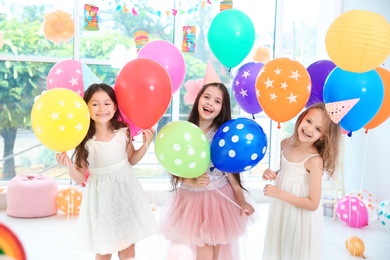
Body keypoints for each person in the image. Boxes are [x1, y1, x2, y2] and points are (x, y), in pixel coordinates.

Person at [56, 83, 158, 260]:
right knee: (104, 250)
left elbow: (131, 159)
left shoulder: (123, 132)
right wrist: (68, 165)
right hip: (101, 198)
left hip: (126, 192)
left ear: (115, 107)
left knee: (128, 249)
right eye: (95, 104)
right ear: (85, 107)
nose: (101, 108)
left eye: (107, 103)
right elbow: (80, 176)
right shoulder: (84, 141)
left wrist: (146, 144)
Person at [160, 81, 256, 260]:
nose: (210, 103)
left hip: (218, 200)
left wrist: (242, 202)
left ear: (222, 108)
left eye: (217, 101)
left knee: (214, 254)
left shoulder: (222, 135)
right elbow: (174, 167)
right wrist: (191, 181)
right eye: (206, 97)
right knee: (203, 253)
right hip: (190, 200)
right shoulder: (184, 131)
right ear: (198, 99)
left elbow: (233, 177)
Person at [262, 102, 341, 260]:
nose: (309, 129)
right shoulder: (285, 144)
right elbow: (289, 173)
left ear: (323, 136)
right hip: (282, 209)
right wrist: (273, 174)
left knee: (294, 251)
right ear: (301, 118)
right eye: (309, 121)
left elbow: (313, 203)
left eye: (318, 129)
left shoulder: (314, 161)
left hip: (300, 216)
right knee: (280, 247)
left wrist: (279, 193)